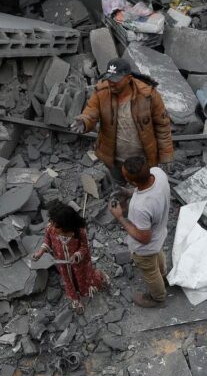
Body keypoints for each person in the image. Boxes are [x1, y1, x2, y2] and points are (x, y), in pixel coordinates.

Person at [71, 58, 174, 182]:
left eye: (116, 80)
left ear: (129, 78)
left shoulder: (148, 95)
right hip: (115, 158)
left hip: (143, 158)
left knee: (143, 184)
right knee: (119, 182)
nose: (111, 83)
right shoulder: (101, 93)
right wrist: (84, 121)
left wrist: (166, 155)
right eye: (109, 79)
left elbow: (162, 125)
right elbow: (91, 111)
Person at [108, 156, 170, 309]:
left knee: (150, 272)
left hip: (145, 249)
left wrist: (120, 217)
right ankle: (163, 278)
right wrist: (131, 193)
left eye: (126, 176)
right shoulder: (158, 174)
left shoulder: (140, 207)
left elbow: (144, 238)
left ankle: (158, 298)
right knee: (158, 259)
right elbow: (147, 189)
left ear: (134, 182)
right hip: (159, 235)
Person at [32, 201, 108, 314]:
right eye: (52, 223)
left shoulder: (79, 232)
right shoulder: (50, 228)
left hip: (80, 263)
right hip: (63, 264)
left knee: (84, 279)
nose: (53, 227)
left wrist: (77, 255)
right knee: (68, 281)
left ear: (66, 226)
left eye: (57, 226)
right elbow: (47, 241)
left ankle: (98, 277)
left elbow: (84, 247)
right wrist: (40, 252)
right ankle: (75, 299)